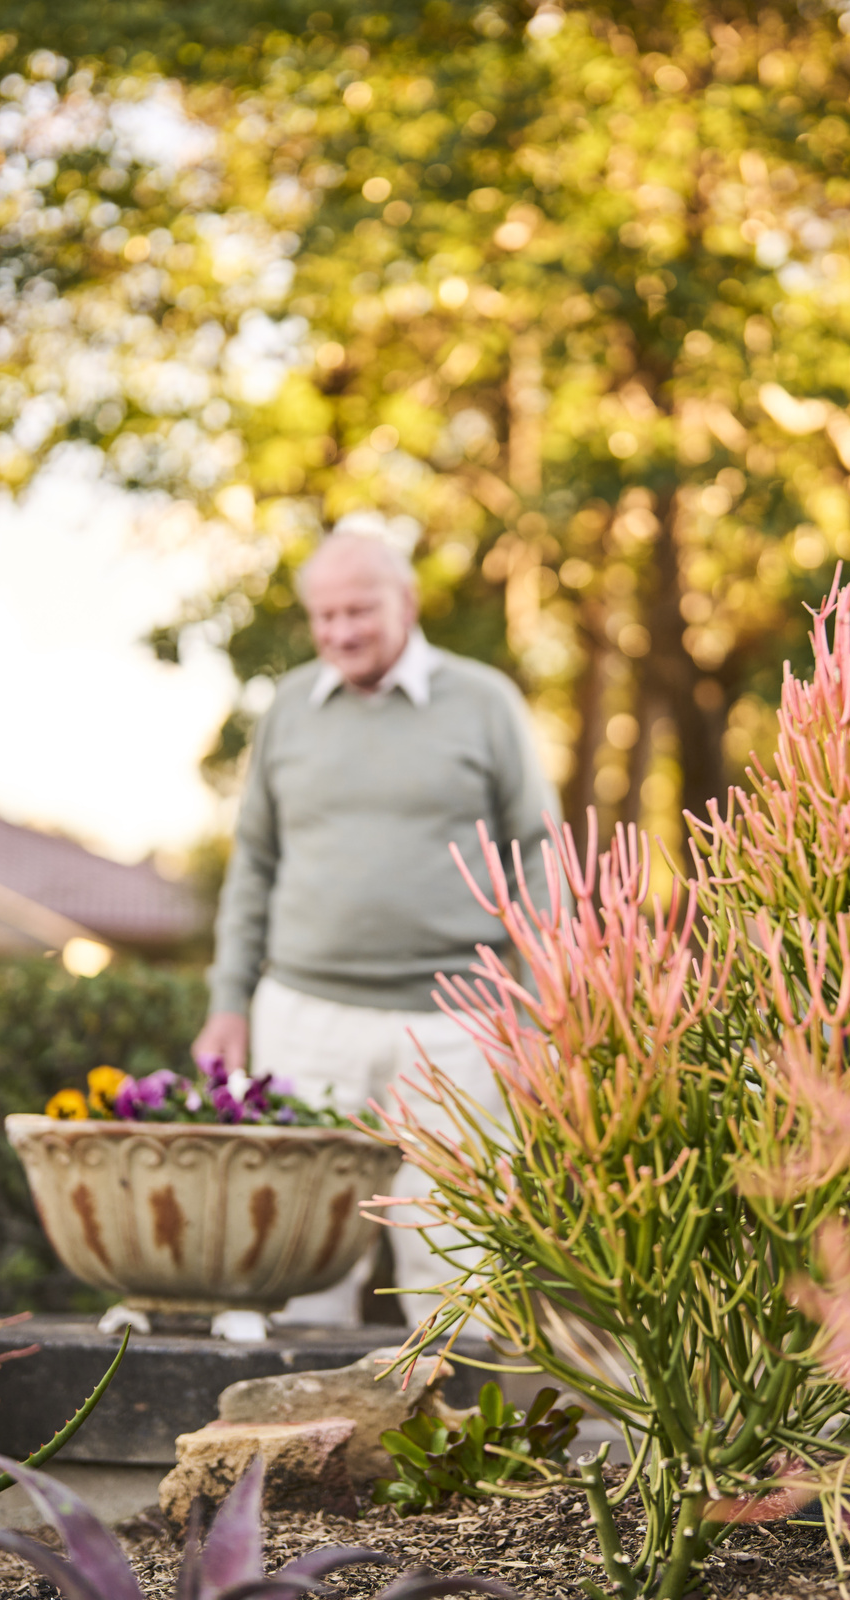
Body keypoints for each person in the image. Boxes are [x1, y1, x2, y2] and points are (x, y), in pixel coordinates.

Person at [192, 531, 559, 1327]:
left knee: (454, 1250)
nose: (340, 632)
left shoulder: (484, 701)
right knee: (300, 1253)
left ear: (408, 603)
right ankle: (288, 1444)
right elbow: (252, 862)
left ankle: (459, 1436)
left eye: (358, 610)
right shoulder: (287, 708)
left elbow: (537, 853)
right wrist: (228, 1001)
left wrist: (547, 998)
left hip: (459, 1023)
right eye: (324, 616)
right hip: (306, 1017)